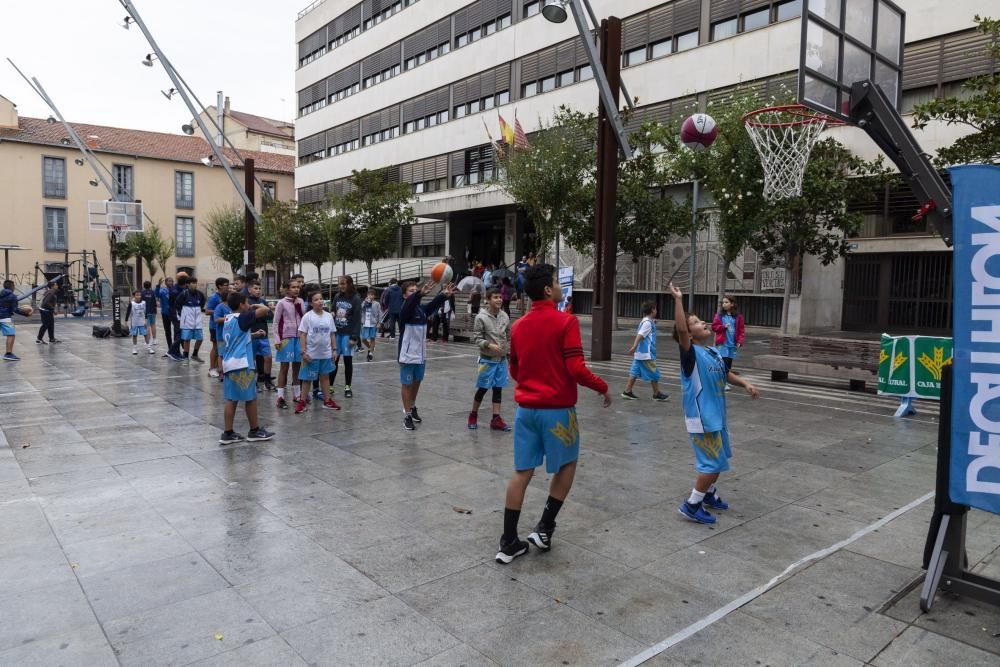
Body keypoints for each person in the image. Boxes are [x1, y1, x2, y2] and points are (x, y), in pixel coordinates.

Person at [496, 264, 610, 564]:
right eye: (558, 283)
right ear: (548, 289)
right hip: (557, 410)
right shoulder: (566, 321)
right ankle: (544, 527)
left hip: (526, 410)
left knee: (522, 472)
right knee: (568, 464)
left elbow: (515, 369)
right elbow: (576, 368)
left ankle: (508, 541)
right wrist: (602, 386)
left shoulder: (518, 325)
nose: (561, 287)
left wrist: (532, 384)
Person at [670, 282, 759, 525]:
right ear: (688, 334)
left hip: (717, 417)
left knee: (720, 460)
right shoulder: (689, 355)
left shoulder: (713, 352)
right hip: (702, 419)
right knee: (710, 464)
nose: (704, 324)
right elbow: (680, 328)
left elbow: (725, 374)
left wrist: (745, 384)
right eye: (697, 323)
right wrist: (679, 301)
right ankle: (692, 504)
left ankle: (708, 495)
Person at [218, 291, 274, 445]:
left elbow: (238, 338)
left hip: (229, 364)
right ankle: (254, 431)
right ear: (242, 304)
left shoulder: (229, 319)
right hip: (242, 365)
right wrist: (256, 305)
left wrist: (254, 335)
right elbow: (265, 310)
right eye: (247, 302)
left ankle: (228, 433)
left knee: (231, 399)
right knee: (251, 398)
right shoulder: (243, 317)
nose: (249, 304)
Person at [397, 279, 452, 431]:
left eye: (416, 290)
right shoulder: (405, 310)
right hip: (407, 355)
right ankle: (407, 415)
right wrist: (419, 294)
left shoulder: (420, 310)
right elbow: (410, 304)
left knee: (417, 381)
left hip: (421, 354)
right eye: (411, 291)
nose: (414, 292)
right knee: (406, 384)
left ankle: (412, 405)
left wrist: (443, 295)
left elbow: (431, 306)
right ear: (404, 295)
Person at [469, 289, 512, 432]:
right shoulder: (481, 317)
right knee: (482, 388)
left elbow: (508, 335)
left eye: (500, 297)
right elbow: (476, 338)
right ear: (488, 300)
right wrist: (489, 345)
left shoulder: (505, 316)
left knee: (498, 389)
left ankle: (496, 419)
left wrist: (509, 352)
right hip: (487, 361)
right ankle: (473, 415)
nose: (499, 300)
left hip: (501, 360)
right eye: (495, 297)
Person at [296, 290, 339, 414]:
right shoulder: (308, 316)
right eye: (316, 299)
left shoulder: (328, 316)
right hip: (311, 354)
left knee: (325, 377)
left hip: (325, 354)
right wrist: (303, 352)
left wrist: (334, 349)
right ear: (311, 303)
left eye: (321, 299)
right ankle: (302, 402)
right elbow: (302, 334)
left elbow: (332, 334)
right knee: (307, 379)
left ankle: (327, 401)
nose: (320, 301)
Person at [621, 301, 669, 402]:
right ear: (652, 310)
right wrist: (634, 346)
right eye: (655, 308)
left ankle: (627, 391)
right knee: (654, 373)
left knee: (634, 372)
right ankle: (656, 394)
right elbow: (641, 335)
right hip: (646, 354)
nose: (656, 310)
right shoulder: (647, 323)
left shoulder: (646, 321)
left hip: (639, 354)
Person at [273, 280, 305, 409]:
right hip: (286, 339)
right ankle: (280, 396)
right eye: (293, 287)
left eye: (298, 287)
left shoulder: (301, 301)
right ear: (287, 289)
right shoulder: (281, 303)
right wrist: (277, 339)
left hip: (299, 338)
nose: (296, 289)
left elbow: (304, 318)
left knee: (297, 366)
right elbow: (275, 323)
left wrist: (298, 306)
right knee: (284, 367)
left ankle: (297, 394)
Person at [329, 276, 361, 398]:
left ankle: (348, 387)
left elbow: (358, 319)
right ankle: (330, 386)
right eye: (339, 284)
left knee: (348, 361)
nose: (340, 286)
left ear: (349, 284)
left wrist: (354, 337)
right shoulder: (337, 297)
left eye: (343, 284)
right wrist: (331, 312)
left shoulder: (355, 299)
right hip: (337, 334)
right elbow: (333, 309)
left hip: (348, 335)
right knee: (334, 360)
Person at [712, 295, 746, 389]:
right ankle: (722, 383)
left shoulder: (738, 317)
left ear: (732, 304)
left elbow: (741, 330)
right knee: (723, 363)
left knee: (729, 364)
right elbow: (714, 327)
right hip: (722, 344)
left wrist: (740, 341)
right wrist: (723, 326)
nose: (724, 304)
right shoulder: (719, 316)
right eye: (723, 302)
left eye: (726, 302)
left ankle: (725, 381)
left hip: (732, 345)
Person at [247, 280, 274, 392]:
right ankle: (253, 383)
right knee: (251, 360)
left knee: (268, 358)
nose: (258, 291)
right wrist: (260, 312)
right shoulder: (246, 301)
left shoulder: (262, 301)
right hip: (252, 335)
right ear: (249, 289)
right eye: (255, 288)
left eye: (259, 288)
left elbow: (270, 316)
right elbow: (248, 316)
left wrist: (260, 309)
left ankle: (267, 380)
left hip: (263, 335)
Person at [205, 277, 231, 378]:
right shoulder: (214, 297)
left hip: (225, 327)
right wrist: (219, 311)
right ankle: (212, 369)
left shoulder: (227, 296)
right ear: (219, 286)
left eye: (228, 285)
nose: (228, 287)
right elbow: (207, 311)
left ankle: (218, 368)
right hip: (215, 326)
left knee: (221, 349)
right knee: (216, 347)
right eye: (226, 285)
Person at [177, 277, 206, 363]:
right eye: (193, 283)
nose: (195, 285)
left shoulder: (200, 294)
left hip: (197, 320)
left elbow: (202, 304)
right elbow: (177, 305)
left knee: (200, 338)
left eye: (195, 283)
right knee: (187, 339)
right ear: (188, 284)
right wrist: (182, 315)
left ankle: (195, 354)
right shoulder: (183, 294)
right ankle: (185, 356)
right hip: (187, 320)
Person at [1, 280, 33, 361]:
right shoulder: (12, 296)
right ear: (12, 287)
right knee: (11, 335)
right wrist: (26, 314)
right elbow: (15, 309)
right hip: (5, 318)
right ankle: (8, 354)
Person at [125, 290, 153, 355]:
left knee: (145, 335)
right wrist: (126, 322)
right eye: (137, 295)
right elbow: (128, 313)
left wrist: (146, 320)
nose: (139, 296)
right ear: (134, 296)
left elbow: (146, 312)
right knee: (134, 335)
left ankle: (148, 347)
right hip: (134, 322)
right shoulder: (131, 303)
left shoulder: (144, 303)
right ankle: (134, 349)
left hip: (142, 322)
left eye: (140, 295)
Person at [360, 289, 382, 362]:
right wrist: (366, 303)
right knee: (363, 339)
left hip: (373, 323)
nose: (371, 296)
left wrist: (379, 322)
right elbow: (361, 309)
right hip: (365, 324)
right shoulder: (364, 302)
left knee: (372, 338)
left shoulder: (377, 304)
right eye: (369, 295)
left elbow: (380, 313)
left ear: (374, 296)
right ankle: (370, 347)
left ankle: (371, 354)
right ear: (367, 295)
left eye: (372, 295)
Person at [157, 277, 175, 352]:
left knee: (177, 331)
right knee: (167, 331)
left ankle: (177, 346)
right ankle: (170, 347)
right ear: (166, 283)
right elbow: (157, 294)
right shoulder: (162, 290)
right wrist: (158, 285)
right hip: (165, 313)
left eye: (171, 281)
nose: (170, 283)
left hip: (174, 313)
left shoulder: (175, 290)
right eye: (169, 281)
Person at [141, 281, 158, 347]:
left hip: (146, 312)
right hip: (153, 311)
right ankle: (154, 340)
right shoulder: (153, 292)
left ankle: (148, 341)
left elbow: (141, 303)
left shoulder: (142, 293)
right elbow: (155, 302)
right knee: (153, 325)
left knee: (147, 326)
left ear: (144, 286)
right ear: (150, 286)